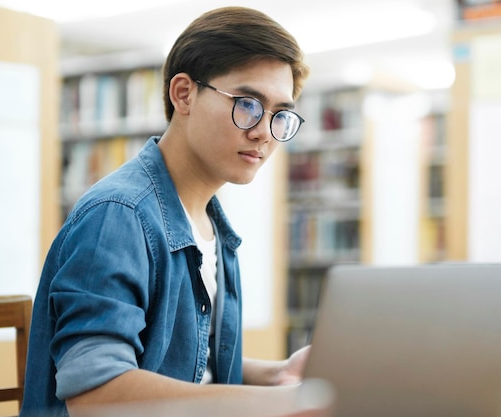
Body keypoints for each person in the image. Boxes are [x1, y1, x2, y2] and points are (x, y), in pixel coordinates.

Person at [20, 6, 311, 417]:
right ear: (183, 94)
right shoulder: (119, 215)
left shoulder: (211, 226)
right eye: (247, 103)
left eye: (281, 114)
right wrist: (277, 404)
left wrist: (278, 374)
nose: (264, 131)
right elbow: (95, 393)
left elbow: (186, 365)